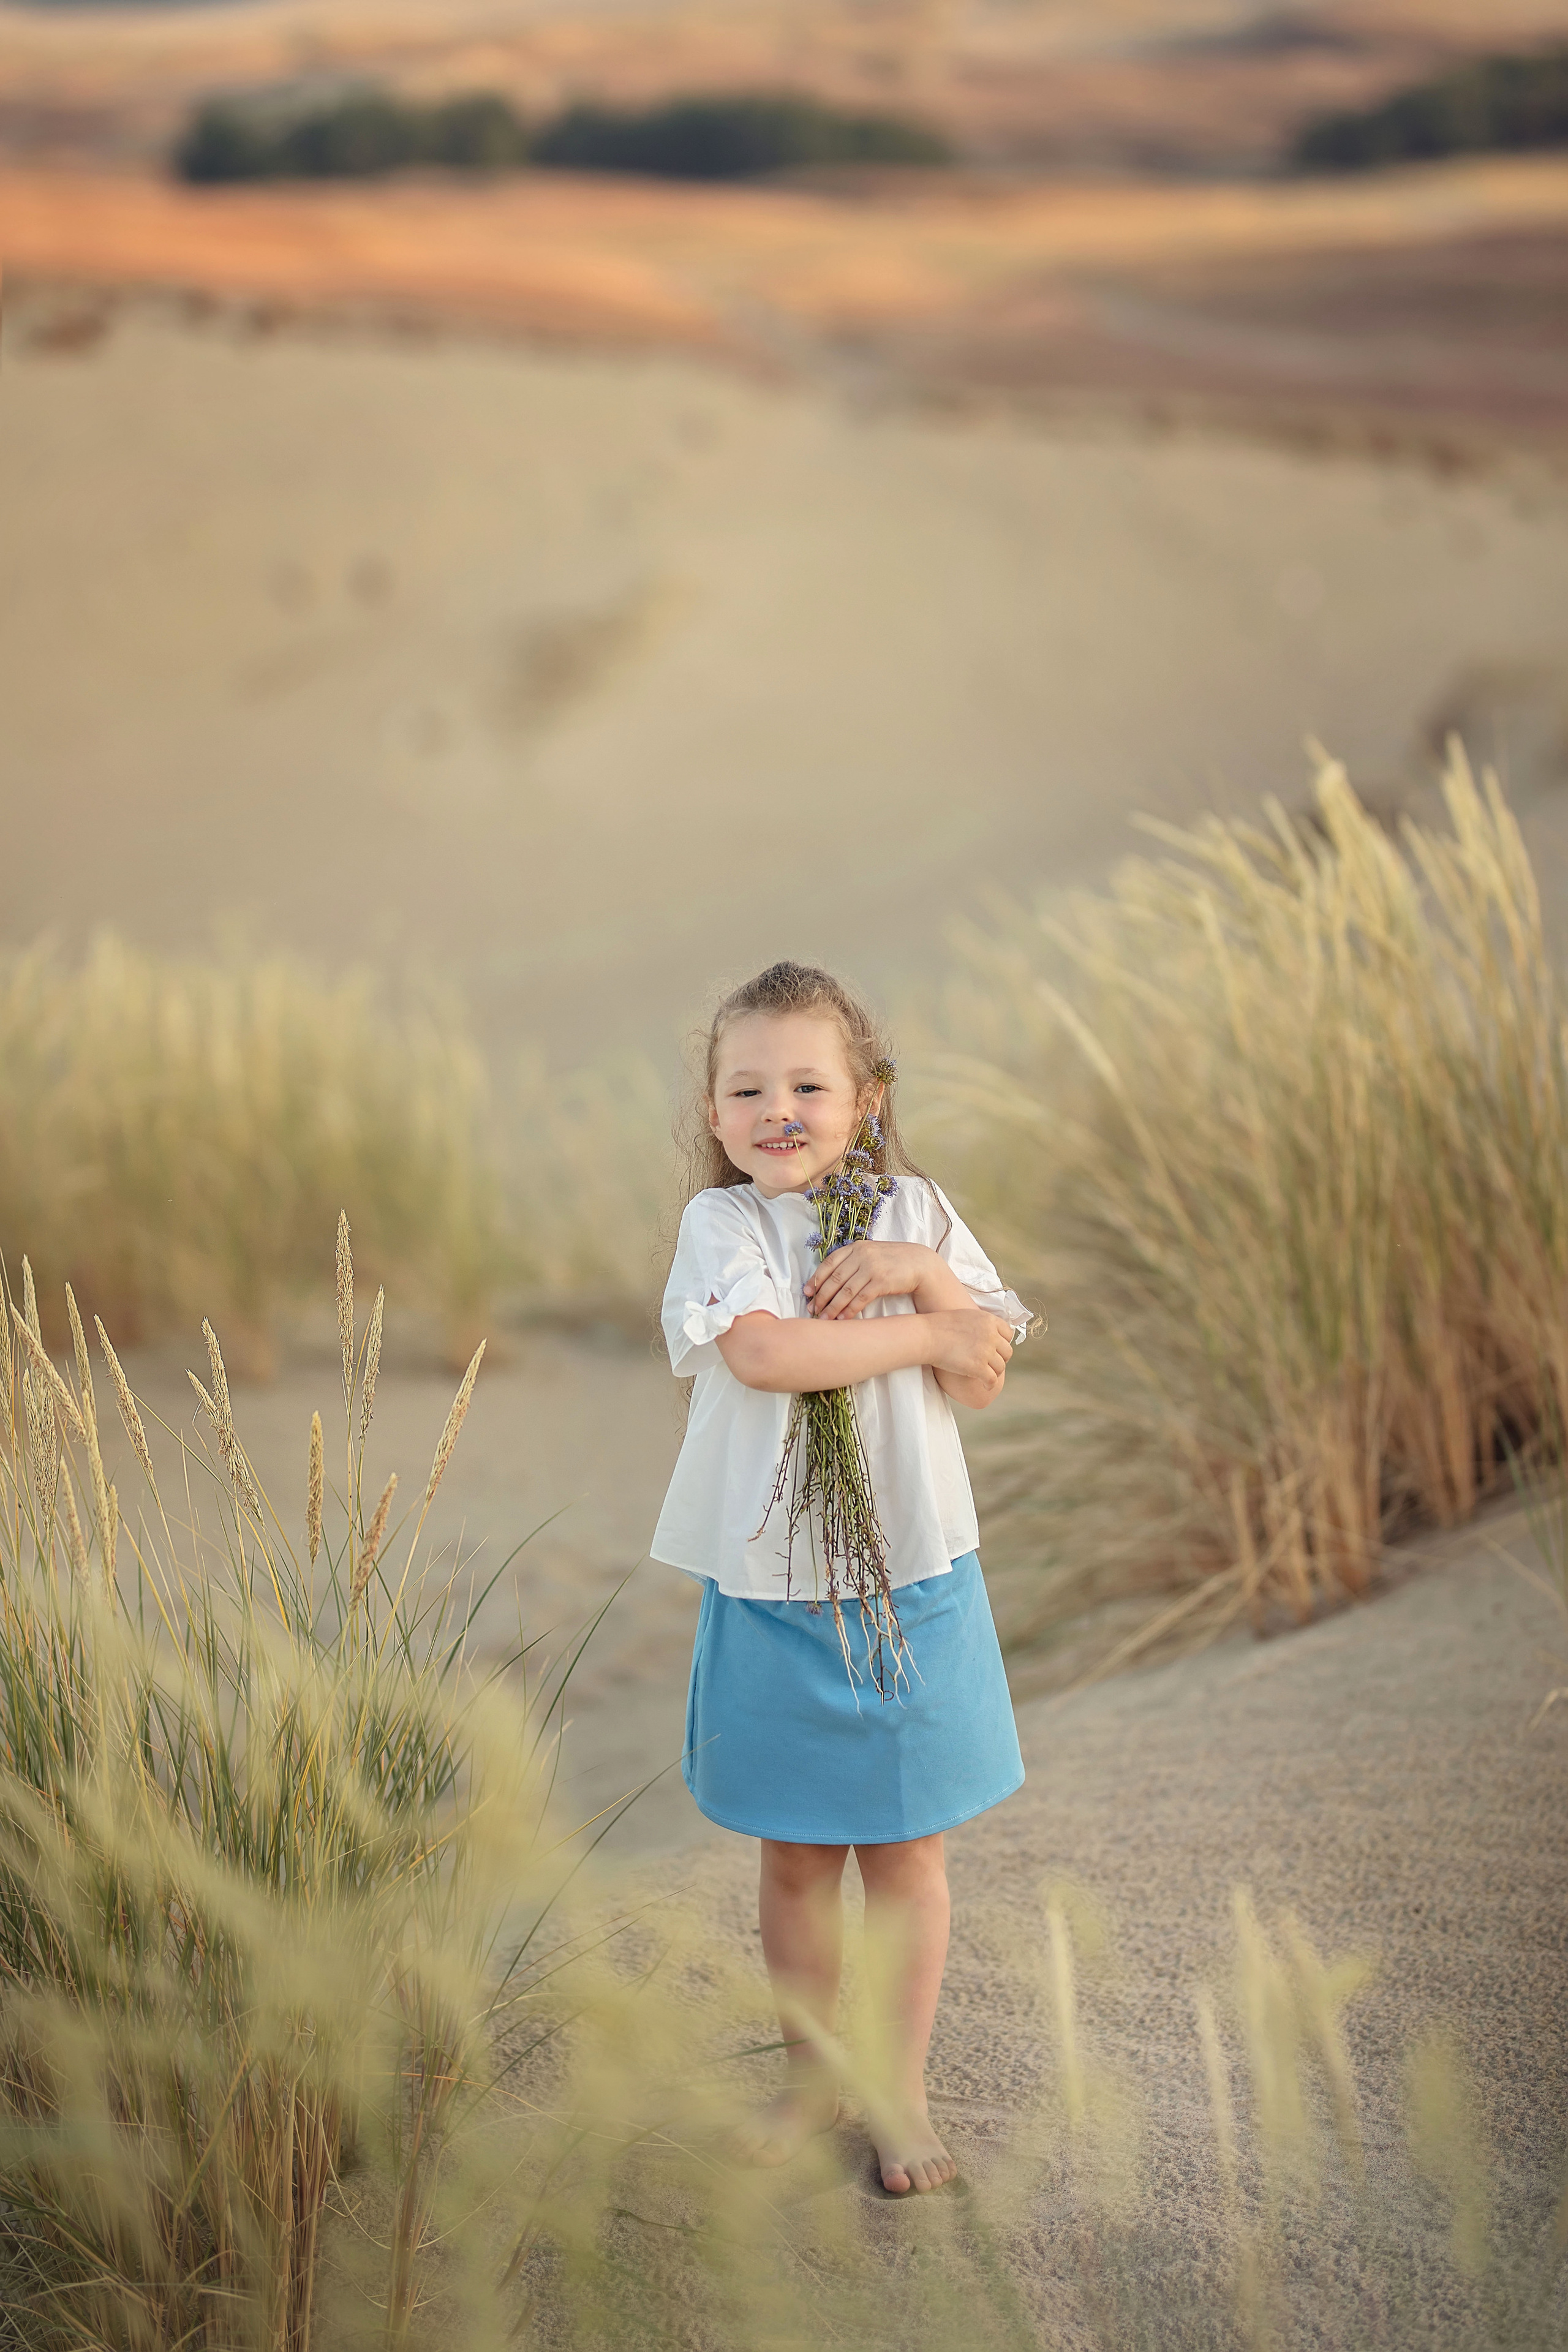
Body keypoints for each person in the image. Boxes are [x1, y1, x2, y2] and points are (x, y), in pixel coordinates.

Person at [651, 959, 1030, 2196]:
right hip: (775, 1590)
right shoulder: (723, 1228)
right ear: (715, 1115)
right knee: (800, 1856)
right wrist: (925, 1330)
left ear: (865, 1100)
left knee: (907, 1853)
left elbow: (982, 1371)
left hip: (912, 1577)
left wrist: (924, 1278)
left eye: (809, 1085)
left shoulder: (917, 1213)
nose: (779, 1109)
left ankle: (897, 2091)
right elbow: (767, 1355)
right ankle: (813, 2078)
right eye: (748, 1088)